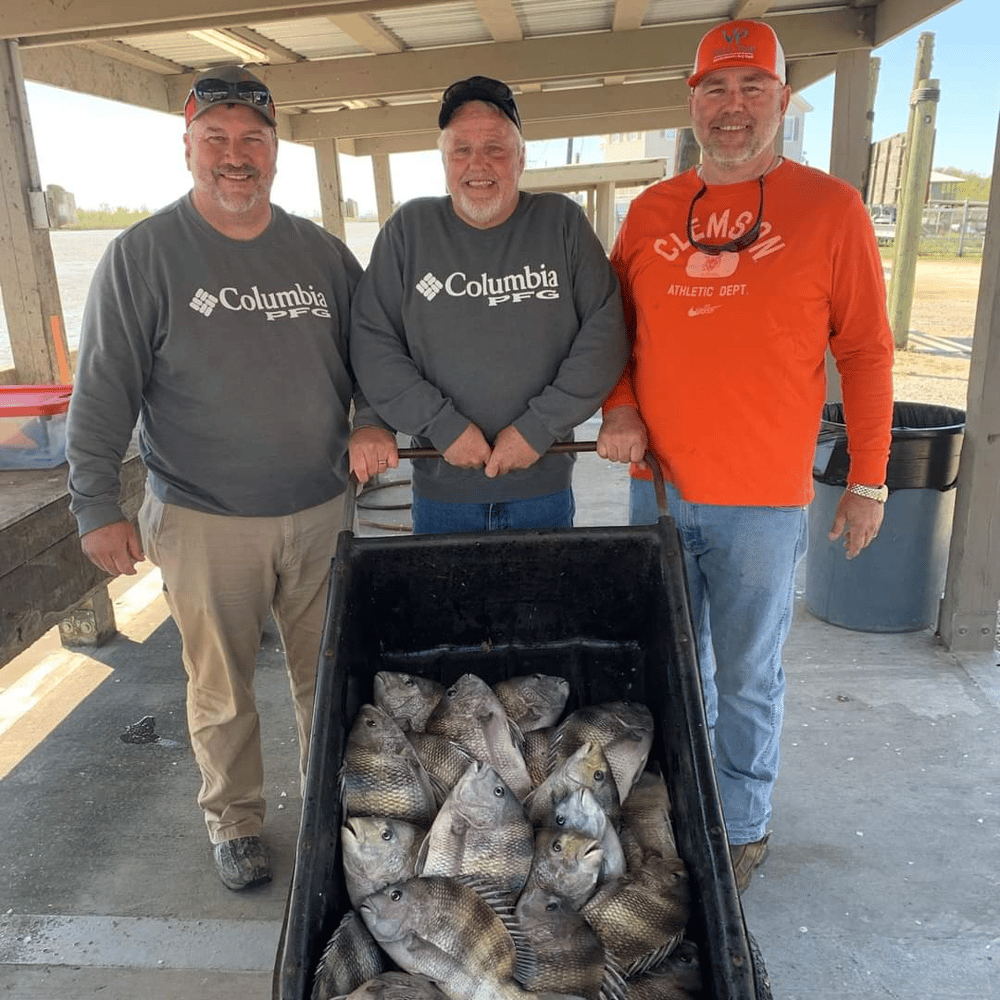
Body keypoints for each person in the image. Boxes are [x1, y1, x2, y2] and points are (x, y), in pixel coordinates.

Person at [65, 65, 396, 891]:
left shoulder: (321, 253)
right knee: (221, 689)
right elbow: (102, 389)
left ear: (276, 149)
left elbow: (370, 362)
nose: (235, 154)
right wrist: (95, 505)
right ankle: (236, 820)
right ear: (188, 148)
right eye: (216, 138)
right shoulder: (142, 256)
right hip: (203, 519)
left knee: (333, 675)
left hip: (323, 510)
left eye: (253, 137)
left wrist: (369, 418)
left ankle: (335, 803)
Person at [596, 20, 895, 891]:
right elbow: (610, 337)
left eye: (751, 88)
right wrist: (621, 409)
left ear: (782, 100)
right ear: (691, 100)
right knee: (668, 663)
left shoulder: (831, 208)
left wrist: (867, 479)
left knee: (751, 674)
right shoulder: (649, 213)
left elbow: (869, 353)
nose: (732, 108)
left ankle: (743, 824)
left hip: (761, 501)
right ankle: (676, 805)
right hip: (656, 493)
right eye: (715, 90)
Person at [349, 76, 628, 533]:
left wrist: (538, 428)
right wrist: (441, 426)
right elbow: (373, 341)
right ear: (444, 162)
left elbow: (604, 333)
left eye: (496, 148)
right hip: (442, 493)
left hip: (544, 489)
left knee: (544, 606)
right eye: (462, 150)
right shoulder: (408, 231)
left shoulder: (562, 223)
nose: (478, 164)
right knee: (446, 608)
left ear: (520, 158)